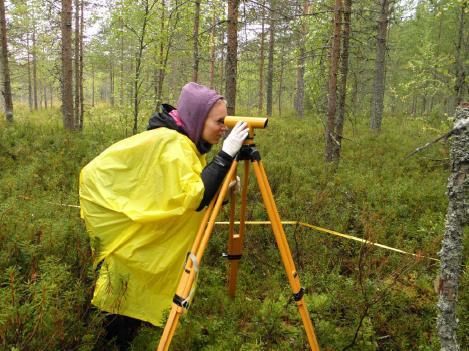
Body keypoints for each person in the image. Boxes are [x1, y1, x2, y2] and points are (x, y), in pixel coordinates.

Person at [79, 82, 248, 350]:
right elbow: (195, 197)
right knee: (116, 325)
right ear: (197, 118)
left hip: (140, 242)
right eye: (219, 121)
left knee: (124, 314)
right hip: (134, 246)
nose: (224, 127)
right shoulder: (174, 144)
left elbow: (177, 197)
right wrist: (225, 156)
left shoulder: (180, 141)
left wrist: (223, 192)